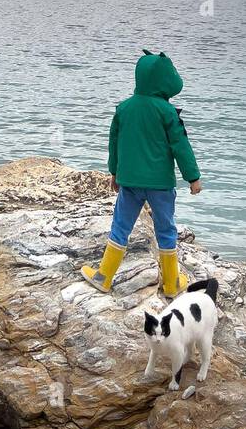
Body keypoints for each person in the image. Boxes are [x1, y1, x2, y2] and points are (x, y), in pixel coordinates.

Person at [81, 50, 201, 298]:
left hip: (130, 183)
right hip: (160, 186)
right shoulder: (167, 112)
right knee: (166, 229)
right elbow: (181, 146)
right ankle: (171, 284)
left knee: (120, 227)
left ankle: (104, 277)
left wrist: (114, 172)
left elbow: (114, 144)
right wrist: (193, 177)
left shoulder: (124, 108)